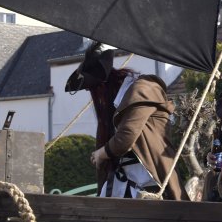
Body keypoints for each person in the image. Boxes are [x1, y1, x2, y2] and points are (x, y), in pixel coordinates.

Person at [66, 42, 184, 200]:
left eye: (94, 89)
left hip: (150, 180)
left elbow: (126, 136)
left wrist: (101, 153)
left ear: (103, 85)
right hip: (122, 183)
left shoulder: (143, 89)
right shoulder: (116, 103)